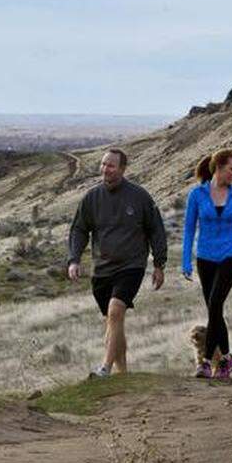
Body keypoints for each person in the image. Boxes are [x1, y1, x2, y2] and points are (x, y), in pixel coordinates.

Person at [67, 148, 167, 378]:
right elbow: (79, 230)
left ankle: (105, 368)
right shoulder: (91, 198)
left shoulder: (139, 196)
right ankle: (123, 374)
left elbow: (156, 230)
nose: (105, 169)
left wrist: (159, 264)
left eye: (111, 165)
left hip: (131, 265)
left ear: (122, 169)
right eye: (103, 164)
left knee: (115, 311)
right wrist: (74, 259)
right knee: (114, 322)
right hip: (102, 268)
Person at [180, 148, 232, 380]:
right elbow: (188, 229)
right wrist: (186, 261)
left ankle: (204, 362)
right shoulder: (197, 195)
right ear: (218, 167)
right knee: (215, 310)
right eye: (231, 169)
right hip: (205, 257)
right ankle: (225, 360)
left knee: (215, 304)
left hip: (231, 256)